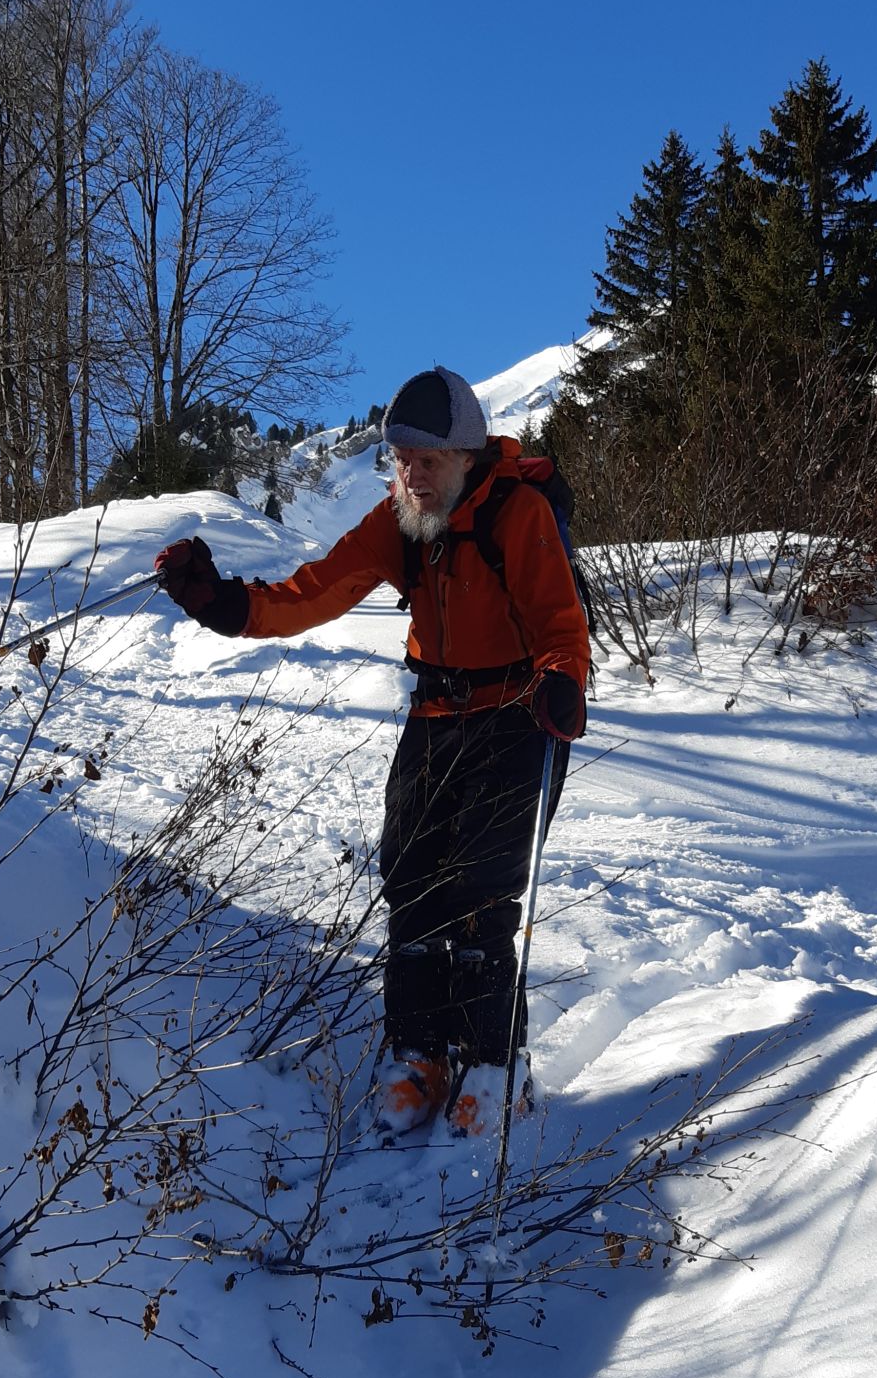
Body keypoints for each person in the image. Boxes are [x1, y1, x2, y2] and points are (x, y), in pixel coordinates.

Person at [153, 365, 589, 1144]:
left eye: (429, 461)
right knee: (411, 880)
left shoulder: (515, 512)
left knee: (483, 893)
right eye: (401, 459)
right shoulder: (399, 522)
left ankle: (494, 1067)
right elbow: (311, 593)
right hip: (435, 714)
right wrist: (220, 603)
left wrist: (562, 680)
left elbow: (560, 621)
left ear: (466, 457)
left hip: (518, 718)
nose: (412, 475)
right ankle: (419, 1055)